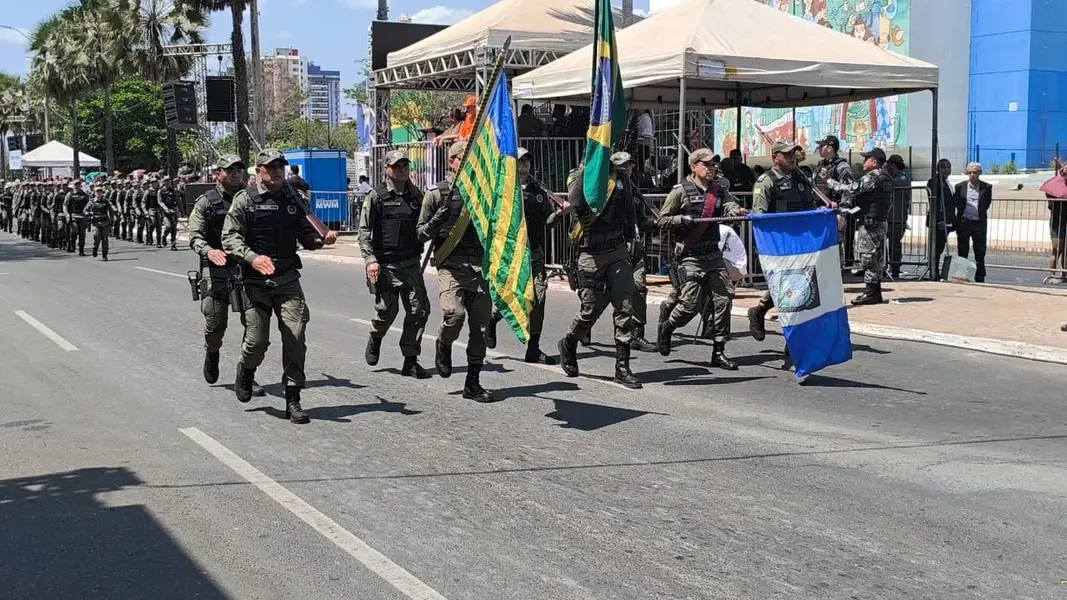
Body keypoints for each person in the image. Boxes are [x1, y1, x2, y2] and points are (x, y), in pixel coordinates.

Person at [222, 148, 338, 424]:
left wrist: (320, 240)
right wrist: (253, 257)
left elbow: (305, 233)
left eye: (280, 166)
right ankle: (247, 370)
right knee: (257, 340)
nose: (277, 171)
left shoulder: (293, 200)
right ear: (258, 170)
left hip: (287, 278)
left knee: (296, 335)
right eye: (271, 167)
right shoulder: (244, 201)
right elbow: (230, 238)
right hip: (254, 280)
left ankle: (293, 398)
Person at [556, 151, 643, 389]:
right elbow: (575, 201)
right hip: (590, 252)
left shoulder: (621, 178)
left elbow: (630, 213)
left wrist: (634, 240)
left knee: (625, 303)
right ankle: (570, 342)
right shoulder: (579, 175)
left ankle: (622, 367)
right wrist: (587, 172)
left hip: (616, 250)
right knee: (591, 308)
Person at [417, 141, 495, 401]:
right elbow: (420, 234)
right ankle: (444, 343)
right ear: (452, 161)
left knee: (481, 327)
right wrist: (435, 222)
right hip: (451, 264)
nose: (469, 163)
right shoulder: (437, 194)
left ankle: (472, 383)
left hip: (480, 266)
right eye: (463, 158)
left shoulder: (485, 192)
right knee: (454, 314)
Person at [657, 148, 747, 368]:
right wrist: (681, 219)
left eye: (713, 164)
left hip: (713, 254)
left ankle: (719, 350)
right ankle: (667, 327)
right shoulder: (681, 191)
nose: (711, 168)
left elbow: (730, 205)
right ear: (694, 166)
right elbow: (662, 220)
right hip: (690, 257)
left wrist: (735, 211)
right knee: (689, 306)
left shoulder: (719, 190)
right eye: (706, 164)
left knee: (723, 299)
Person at [188, 155, 266, 398]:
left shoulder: (254, 198)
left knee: (254, 325)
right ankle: (212, 353)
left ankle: (247, 372)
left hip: (247, 270)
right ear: (217, 174)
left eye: (239, 170)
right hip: (217, 271)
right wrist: (208, 251)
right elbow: (194, 234)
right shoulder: (206, 203)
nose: (235, 174)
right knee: (215, 324)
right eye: (229, 170)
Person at [485, 147, 568, 363]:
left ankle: (533, 348)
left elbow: (547, 221)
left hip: (535, 253)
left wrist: (558, 215)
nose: (525, 165)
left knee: (538, 299)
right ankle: (493, 320)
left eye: (527, 161)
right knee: (514, 297)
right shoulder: (504, 191)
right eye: (521, 161)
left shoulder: (538, 192)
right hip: (513, 255)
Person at [358, 149, 431, 379]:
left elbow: (425, 223)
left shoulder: (417, 196)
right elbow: (364, 231)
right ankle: (376, 336)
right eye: (396, 166)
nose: (402, 169)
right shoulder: (376, 197)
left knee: (419, 311)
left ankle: (410, 360)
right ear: (386, 169)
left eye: (405, 165)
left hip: (410, 263)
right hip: (385, 265)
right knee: (387, 311)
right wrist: (370, 259)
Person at [747, 139, 820, 341]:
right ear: (775, 158)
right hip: (777, 245)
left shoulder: (801, 179)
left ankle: (763, 311)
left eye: (793, 154)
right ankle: (791, 335)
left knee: (797, 287)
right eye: (786, 154)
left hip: (800, 242)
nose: (791, 158)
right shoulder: (766, 181)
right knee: (788, 287)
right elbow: (759, 216)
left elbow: (810, 207)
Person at [827, 147, 894, 305]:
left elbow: (853, 188)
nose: (863, 161)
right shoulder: (886, 178)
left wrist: (833, 184)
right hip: (881, 222)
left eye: (867, 159)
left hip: (869, 224)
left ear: (874, 161)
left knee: (868, 258)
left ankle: (871, 293)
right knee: (877, 258)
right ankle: (875, 293)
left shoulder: (872, 177)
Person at [953, 162, 992, 283]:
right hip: (964, 222)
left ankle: (980, 276)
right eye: (970, 172)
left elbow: (986, 204)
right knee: (962, 251)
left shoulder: (987, 187)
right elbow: (957, 202)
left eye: (975, 172)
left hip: (979, 223)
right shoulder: (960, 186)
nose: (972, 175)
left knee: (980, 252)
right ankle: (962, 275)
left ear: (980, 173)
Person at [926, 159, 955, 275]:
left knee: (940, 247)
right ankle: (934, 271)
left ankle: (935, 270)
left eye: (948, 167)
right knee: (936, 248)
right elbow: (934, 203)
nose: (946, 170)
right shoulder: (934, 181)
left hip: (947, 221)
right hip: (938, 222)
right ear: (938, 169)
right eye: (943, 167)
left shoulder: (946, 182)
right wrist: (938, 220)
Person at [884, 153, 911, 279]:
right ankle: (883, 267)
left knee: (894, 244)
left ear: (894, 165)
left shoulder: (903, 177)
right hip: (888, 217)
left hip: (897, 218)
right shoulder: (894, 177)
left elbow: (895, 185)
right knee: (883, 244)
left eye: (888, 165)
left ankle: (895, 269)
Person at [1047, 162, 1067, 283]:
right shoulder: (1054, 187)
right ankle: (1052, 275)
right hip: (1057, 220)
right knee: (1057, 249)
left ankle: (1064, 274)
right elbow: (1051, 206)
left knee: (1066, 250)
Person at [63, 180, 91, 255]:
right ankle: (72, 245)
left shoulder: (84, 194)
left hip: (82, 216)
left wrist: (88, 212)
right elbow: (65, 205)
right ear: (74, 186)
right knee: (74, 231)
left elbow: (89, 204)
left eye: (79, 184)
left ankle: (81, 250)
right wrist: (67, 214)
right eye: (76, 185)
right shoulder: (70, 194)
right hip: (74, 215)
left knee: (82, 234)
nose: (78, 186)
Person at [86, 186, 112, 260]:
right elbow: (85, 210)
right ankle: (95, 248)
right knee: (97, 238)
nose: (99, 193)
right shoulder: (91, 202)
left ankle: (105, 255)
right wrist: (89, 214)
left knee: (105, 239)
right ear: (94, 193)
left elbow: (110, 210)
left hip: (105, 222)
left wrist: (112, 218)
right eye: (97, 191)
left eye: (100, 191)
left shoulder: (105, 201)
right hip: (96, 223)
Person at [158, 178, 180, 250]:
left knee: (174, 227)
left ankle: (173, 244)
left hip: (173, 210)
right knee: (168, 226)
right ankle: (164, 236)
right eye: (166, 181)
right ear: (163, 182)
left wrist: (182, 211)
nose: (167, 182)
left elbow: (178, 200)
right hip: (165, 211)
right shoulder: (161, 191)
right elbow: (160, 201)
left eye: (168, 181)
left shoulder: (173, 190)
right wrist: (165, 208)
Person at [142, 177, 162, 247]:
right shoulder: (148, 192)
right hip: (151, 209)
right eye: (153, 182)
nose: (154, 184)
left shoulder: (159, 191)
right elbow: (143, 202)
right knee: (152, 223)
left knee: (159, 225)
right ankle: (149, 236)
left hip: (159, 209)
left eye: (155, 182)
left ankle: (159, 242)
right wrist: (145, 211)